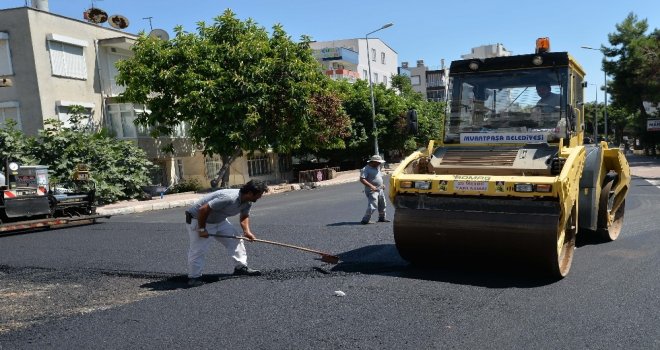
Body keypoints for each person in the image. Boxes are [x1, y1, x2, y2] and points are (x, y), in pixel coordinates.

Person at [185, 179, 269, 287]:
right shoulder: (229, 197)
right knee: (199, 249)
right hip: (199, 220)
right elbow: (203, 209)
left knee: (236, 239)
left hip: (220, 220)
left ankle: (241, 267)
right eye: (259, 194)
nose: (260, 197)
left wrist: (247, 231)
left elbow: (244, 216)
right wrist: (202, 229)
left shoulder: (248, 201)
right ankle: (194, 277)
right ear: (250, 193)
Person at [359, 155, 390, 224]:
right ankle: (365, 220)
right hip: (372, 190)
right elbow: (362, 179)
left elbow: (378, 177)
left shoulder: (377, 167)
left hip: (379, 189)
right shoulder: (366, 169)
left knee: (383, 204)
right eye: (378, 162)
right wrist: (371, 186)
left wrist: (382, 184)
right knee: (373, 204)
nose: (380, 163)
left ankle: (382, 218)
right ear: (373, 161)